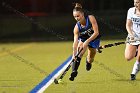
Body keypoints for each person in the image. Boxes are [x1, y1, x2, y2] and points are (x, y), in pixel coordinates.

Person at [69, 3, 101, 81]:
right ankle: (74, 71)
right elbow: (75, 42)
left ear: (82, 14)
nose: (76, 18)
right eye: (75, 17)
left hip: (94, 38)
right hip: (83, 39)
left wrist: (87, 41)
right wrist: (74, 54)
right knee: (79, 53)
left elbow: (96, 32)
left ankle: (88, 62)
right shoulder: (76, 28)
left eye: (78, 16)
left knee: (91, 57)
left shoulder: (90, 18)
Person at [125, 0, 140, 80]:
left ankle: (133, 73)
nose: (135, 4)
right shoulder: (131, 10)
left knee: (139, 56)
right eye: (135, 2)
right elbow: (128, 25)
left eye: (137, 2)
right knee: (128, 57)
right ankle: (136, 51)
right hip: (133, 37)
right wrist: (131, 34)